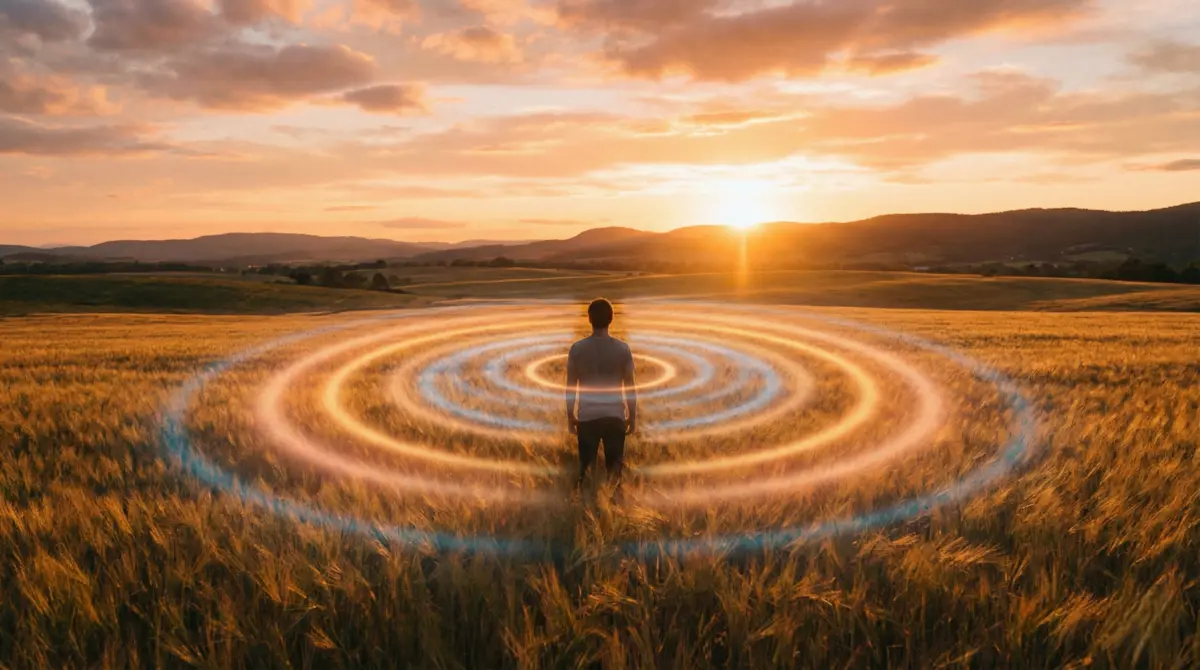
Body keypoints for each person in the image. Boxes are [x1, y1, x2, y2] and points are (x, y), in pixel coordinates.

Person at [565, 298, 637, 493]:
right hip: (615, 418)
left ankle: (583, 515)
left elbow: (571, 386)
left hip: (587, 418)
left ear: (589, 319)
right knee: (615, 476)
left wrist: (571, 416)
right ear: (611, 319)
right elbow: (630, 387)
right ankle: (615, 513)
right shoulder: (623, 349)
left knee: (585, 474)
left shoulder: (577, 349)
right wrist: (632, 416)